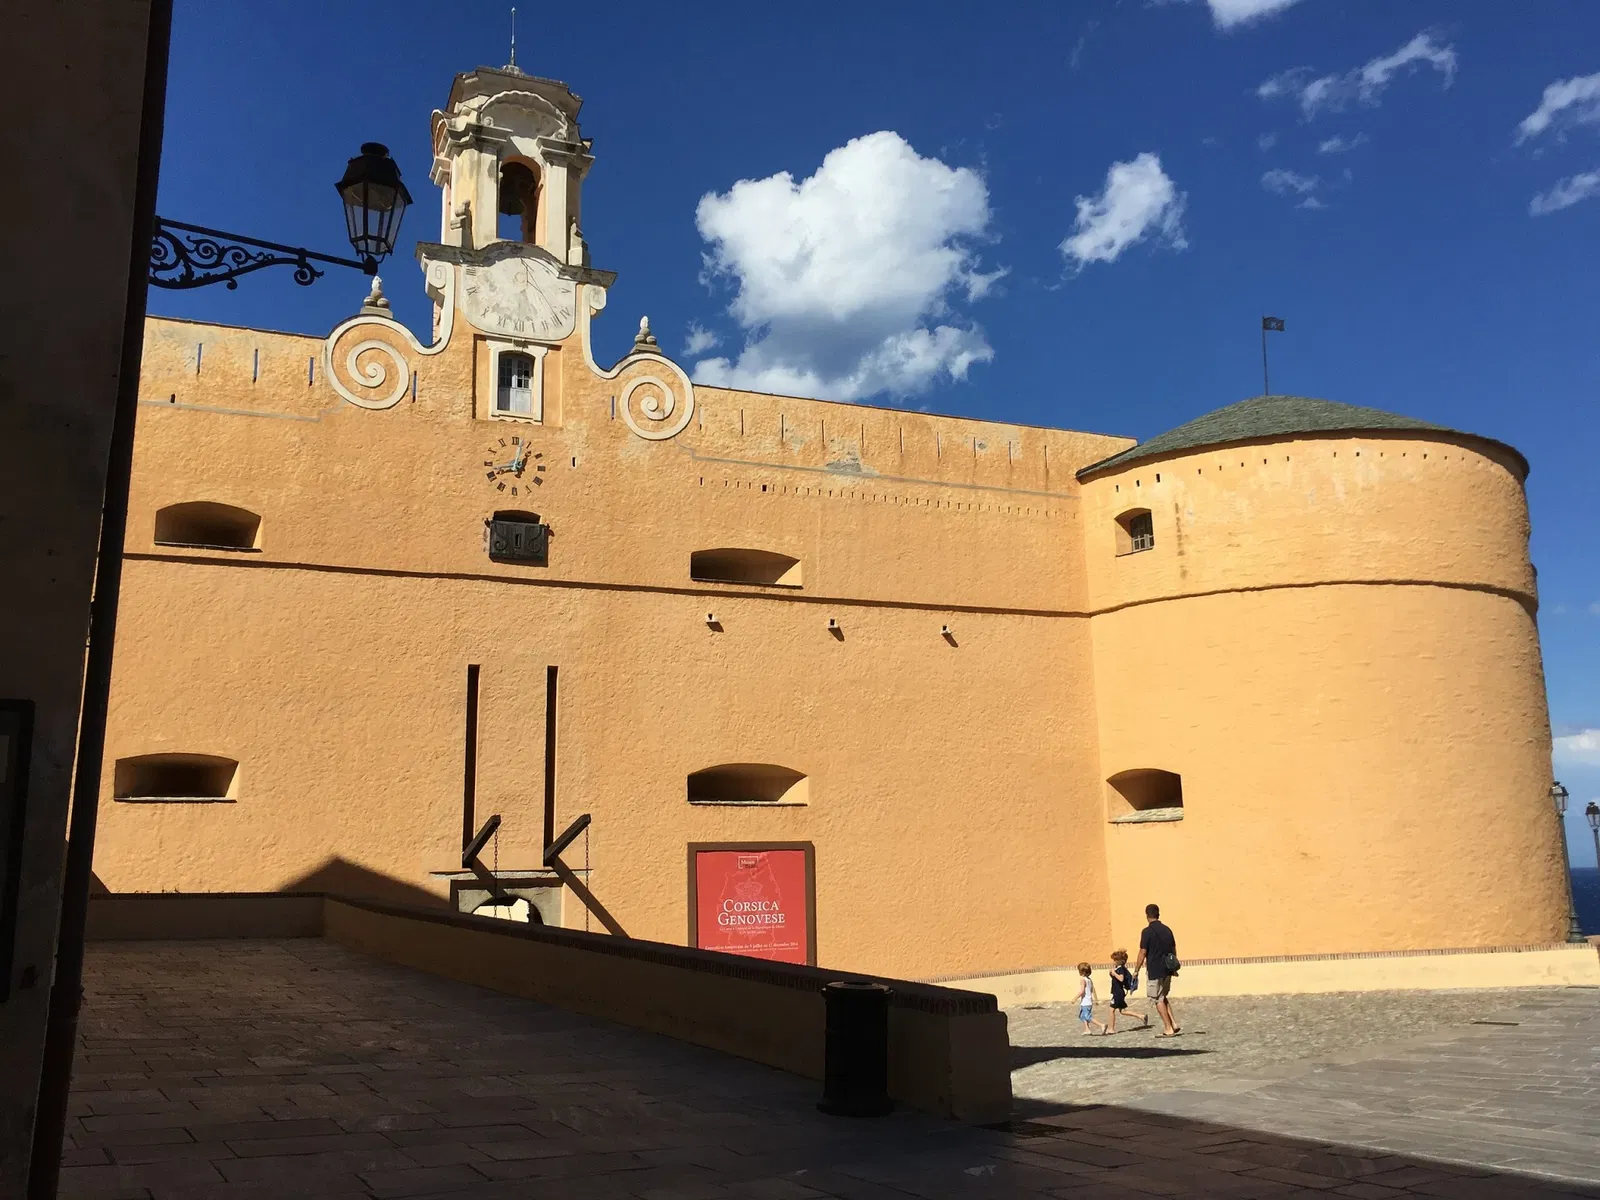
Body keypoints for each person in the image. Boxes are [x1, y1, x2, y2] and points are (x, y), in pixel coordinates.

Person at [1133, 903, 1180, 1037]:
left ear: (1147, 915)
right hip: (1167, 969)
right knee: (1163, 996)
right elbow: (1173, 949)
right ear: (1158, 914)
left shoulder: (1147, 932)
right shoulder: (1167, 930)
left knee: (1157, 999)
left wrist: (1136, 970)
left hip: (1155, 970)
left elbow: (1142, 952)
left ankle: (1168, 1028)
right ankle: (1174, 1024)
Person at [1106, 949, 1148, 1034]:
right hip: (1119, 992)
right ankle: (1141, 1016)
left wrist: (1114, 973)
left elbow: (1121, 979)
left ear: (1120, 961)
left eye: (1115, 960)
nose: (1113, 961)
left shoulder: (1121, 969)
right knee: (1123, 1011)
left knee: (1111, 1010)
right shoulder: (1120, 968)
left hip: (1118, 993)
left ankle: (1111, 1029)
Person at [1075, 961, 1106, 1035]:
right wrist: (1095, 999)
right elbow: (1092, 990)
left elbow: (1082, 991)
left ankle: (1101, 1025)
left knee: (1087, 1016)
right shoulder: (1089, 979)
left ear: (1081, 971)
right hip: (1088, 1001)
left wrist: (1075, 998)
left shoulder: (1083, 980)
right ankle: (1087, 1029)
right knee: (1082, 1016)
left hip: (1086, 1002)